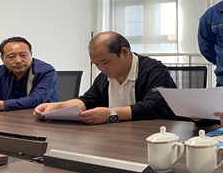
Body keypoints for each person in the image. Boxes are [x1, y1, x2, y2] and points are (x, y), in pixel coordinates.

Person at [33, 31, 176, 124]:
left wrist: (111, 113)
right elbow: (88, 100)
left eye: (105, 62)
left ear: (124, 52)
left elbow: (154, 107)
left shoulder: (154, 71)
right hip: (118, 136)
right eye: (96, 64)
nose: (101, 68)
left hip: (155, 136)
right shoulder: (105, 76)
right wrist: (57, 107)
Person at [0, 36, 59, 113]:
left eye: (23, 55)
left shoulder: (46, 71)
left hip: (41, 118)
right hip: (6, 119)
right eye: (12, 56)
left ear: (31, 54)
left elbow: (36, 100)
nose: (18, 60)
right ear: (2, 58)